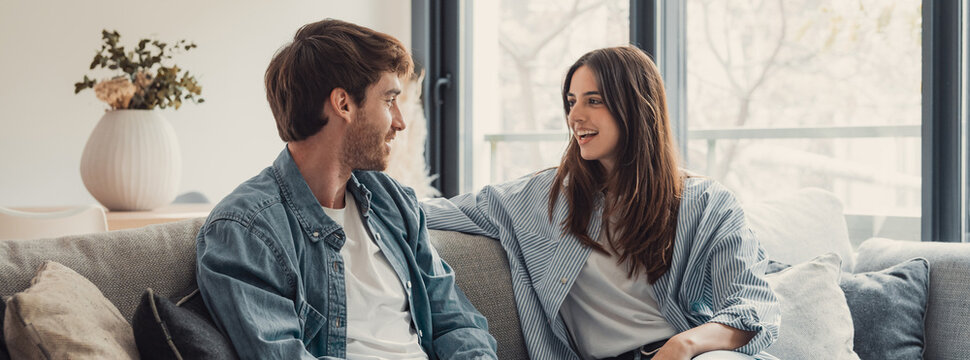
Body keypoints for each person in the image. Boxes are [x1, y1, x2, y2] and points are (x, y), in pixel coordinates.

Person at [421, 46, 780, 360]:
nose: (575, 116)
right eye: (571, 102)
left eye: (594, 101)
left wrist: (683, 346)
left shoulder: (707, 204)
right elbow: (425, 209)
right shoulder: (539, 199)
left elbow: (752, 306)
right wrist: (364, 186)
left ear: (636, 107)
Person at [196, 19, 497, 360]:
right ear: (343, 104)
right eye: (389, 100)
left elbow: (457, 323)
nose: (400, 121)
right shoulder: (245, 230)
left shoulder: (394, 202)